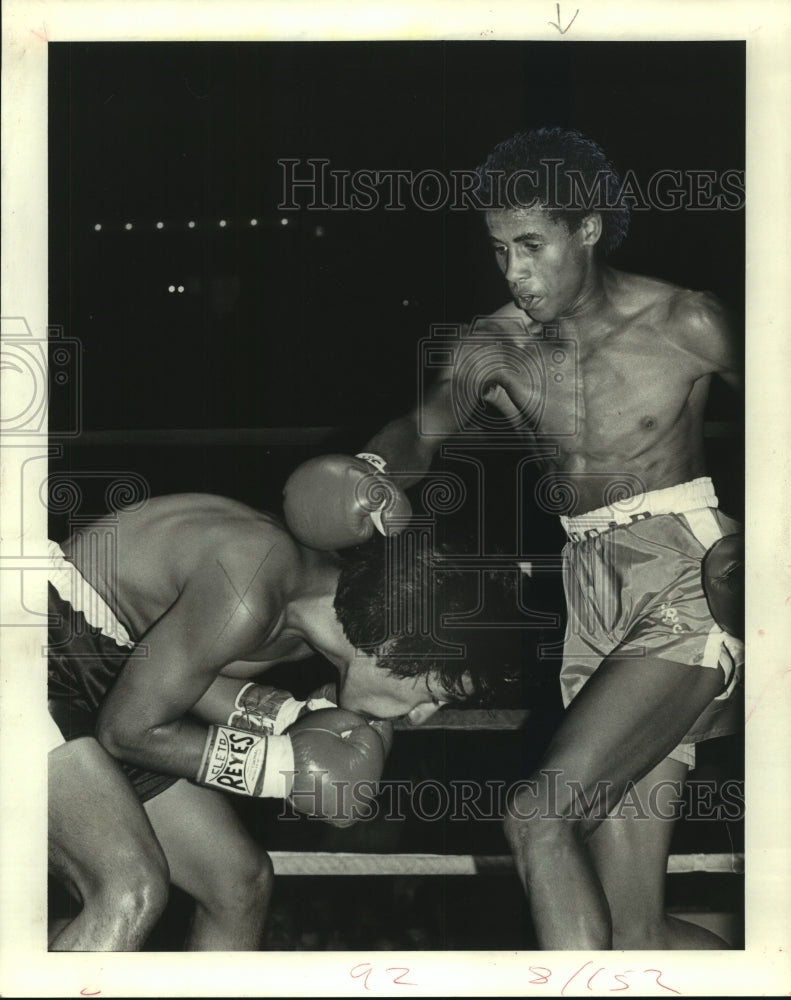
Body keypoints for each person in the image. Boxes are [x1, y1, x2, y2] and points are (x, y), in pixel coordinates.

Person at [326, 127, 744, 949]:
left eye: (530, 246)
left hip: (684, 575)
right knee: (633, 936)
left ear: (585, 228)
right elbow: (420, 433)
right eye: (497, 251)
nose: (514, 273)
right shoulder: (496, 345)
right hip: (586, 590)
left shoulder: (686, 320)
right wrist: (368, 472)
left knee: (537, 818)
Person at [48, 479, 520, 951]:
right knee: (128, 891)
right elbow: (127, 731)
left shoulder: (310, 612)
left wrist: (286, 716)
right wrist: (280, 770)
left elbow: (185, 678)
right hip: (36, 642)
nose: (419, 717)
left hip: (104, 671)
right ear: (396, 645)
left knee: (238, 882)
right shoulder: (253, 585)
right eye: (432, 693)